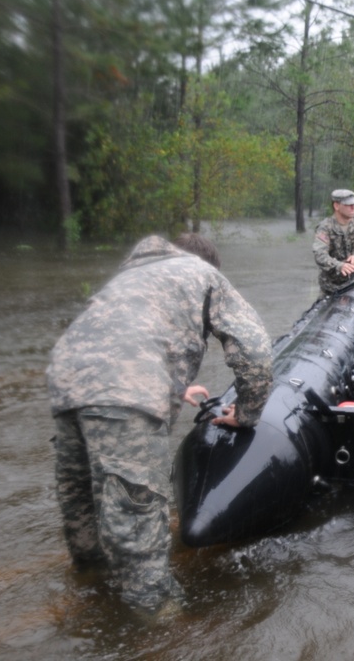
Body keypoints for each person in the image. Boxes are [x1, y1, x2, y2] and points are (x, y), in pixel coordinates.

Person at [46, 233, 274, 614]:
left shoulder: (135, 273)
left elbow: (126, 337)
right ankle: (162, 624)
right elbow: (254, 350)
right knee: (137, 517)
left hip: (67, 381)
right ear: (207, 263)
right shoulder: (204, 275)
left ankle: (91, 598)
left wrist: (170, 386)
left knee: (83, 504)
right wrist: (248, 412)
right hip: (122, 390)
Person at [313, 189, 354, 296]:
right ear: (336, 206)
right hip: (330, 286)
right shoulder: (325, 227)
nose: (353, 207)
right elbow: (319, 255)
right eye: (348, 204)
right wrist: (339, 265)